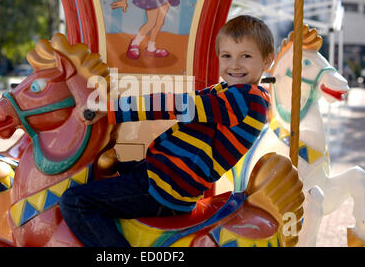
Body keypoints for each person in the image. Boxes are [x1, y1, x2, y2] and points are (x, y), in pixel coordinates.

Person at [60, 15, 275, 247]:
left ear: (267, 60)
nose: (234, 64)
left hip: (165, 189)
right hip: (158, 173)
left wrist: (111, 110)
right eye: (227, 56)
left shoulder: (247, 99)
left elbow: (176, 105)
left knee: (75, 201)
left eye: (246, 56)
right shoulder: (227, 92)